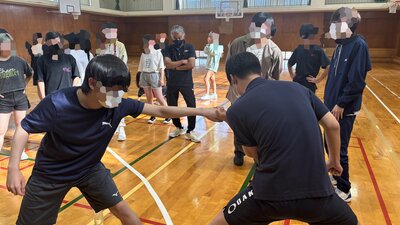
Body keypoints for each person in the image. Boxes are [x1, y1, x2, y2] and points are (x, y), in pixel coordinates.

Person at [6, 54, 223, 225]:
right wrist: (14, 168)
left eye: (122, 91)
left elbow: (161, 110)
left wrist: (206, 112)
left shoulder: (118, 105)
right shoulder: (58, 103)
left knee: (124, 211)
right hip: (51, 174)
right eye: (113, 91)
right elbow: (24, 128)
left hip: (89, 169)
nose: (118, 96)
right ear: (92, 82)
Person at [209, 52, 358, 225]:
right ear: (259, 71)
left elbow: (252, 154)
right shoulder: (299, 89)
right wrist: (334, 160)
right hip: (318, 193)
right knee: (351, 222)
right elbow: (333, 126)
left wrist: (229, 118)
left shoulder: (237, 109)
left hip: (267, 196)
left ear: (233, 79)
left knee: (218, 223)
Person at [323, 7, 371, 202]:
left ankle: (345, 188)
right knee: (329, 145)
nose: (332, 26)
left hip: (343, 109)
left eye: (335, 23)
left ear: (347, 25)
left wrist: (342, 103)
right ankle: (336, 177)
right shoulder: (340, 45)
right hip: (331, 106)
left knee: (339, 148)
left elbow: (357, 80)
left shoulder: (359, 45)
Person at [225, 12, 282, 166]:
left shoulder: (274, 50)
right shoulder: (238, 43)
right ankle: (239, 152)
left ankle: (260, 157)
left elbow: (275, 75)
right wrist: (236, 87)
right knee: (239, 125)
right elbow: (228, 66)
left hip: (262, 95)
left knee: (261, 127)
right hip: (239, 93)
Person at [164, 25, 200, 143]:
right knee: (172, 106)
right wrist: (181, 62)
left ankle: (190, 131)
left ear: (183, 35)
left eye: (179, 37)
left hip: (186, 82)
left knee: (191, 105)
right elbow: (168, 65)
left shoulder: (189, 47)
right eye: (175, 38)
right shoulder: (168, 48)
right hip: (172, 82)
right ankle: (178, 127)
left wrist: (175, 67)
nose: (177, 40)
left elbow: (191, 65)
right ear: (172, 37)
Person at [0, 32, 32, 160]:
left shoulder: (19, 60)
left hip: (20, 98)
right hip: (3, 100)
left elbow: (30, 74)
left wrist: (24, 86)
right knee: (1, 130)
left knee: (21, 127)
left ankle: (20, 152)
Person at [99, 22, 129, 141]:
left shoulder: (120, 46)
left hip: (117, 79)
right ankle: (109, 125)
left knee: (117, 102)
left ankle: (121, 127)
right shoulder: (102, 46)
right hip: (105, 80)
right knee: (105, 102)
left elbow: (124, 62)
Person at [36, 32, 80, 100]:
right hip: (51, 99)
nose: (55, 45)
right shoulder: (41, 60)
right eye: (52, 42)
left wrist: (72, 91)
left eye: (57, 42)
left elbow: (76, 76)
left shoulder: (70, 58)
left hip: (67, 98)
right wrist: (44, 100)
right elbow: (40, 81)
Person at [288, 24, 330, 93]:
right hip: (297, 83)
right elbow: (289, 63)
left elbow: (328, 66)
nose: (314, 35)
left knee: (308, 103)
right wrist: (292, 76)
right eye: (312, 33)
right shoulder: (298, 49)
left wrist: (318, 80)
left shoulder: (318, 50)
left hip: (309, 84)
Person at [138, 34, 170, 124]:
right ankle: (153, 116)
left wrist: (162, 79)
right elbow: (141, 68)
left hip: (154, 75)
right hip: (145, 75)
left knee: (160, 98)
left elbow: (161, 67)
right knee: (149, 98)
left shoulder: (157, 52)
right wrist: (140, 79)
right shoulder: (143, 54)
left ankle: (168, 116)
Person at [200, 32, 223, 101]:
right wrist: (209, 45)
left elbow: (214, 53)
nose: (208, 38)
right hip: (209, 65)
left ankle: (207, 94)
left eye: (210, 37)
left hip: (212, 66)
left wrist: (211, 44)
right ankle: (214, 94)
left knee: (206, 78)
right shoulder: (210, 45)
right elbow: (205, 51)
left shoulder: (217, 46)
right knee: (212, 79)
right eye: (208, 37)